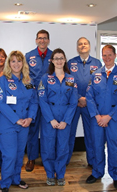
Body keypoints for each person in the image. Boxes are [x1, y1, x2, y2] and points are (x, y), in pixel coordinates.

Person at [85, 45, 117, 190]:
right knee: (97, 146)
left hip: (114, 119)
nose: (107, 58)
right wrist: (98, 116)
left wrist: (109, 117)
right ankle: (97, 172)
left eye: (109, 55)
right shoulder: (96, 74)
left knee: (114, 148)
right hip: (97, 119)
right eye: (104, 55)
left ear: (115, 55)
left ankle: (116, 175)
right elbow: (89, 96)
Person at [0, 50, 38, 192]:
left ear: (23, 63)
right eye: (13, 61)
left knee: (19, 154)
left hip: (25, 124)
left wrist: (30, 118)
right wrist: (16, 120)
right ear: (9, 63)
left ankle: (16, 179)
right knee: (9, 155)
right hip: (8, 124)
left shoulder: (28, 81)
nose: (16, 64)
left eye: (19, 61)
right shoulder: (2, 80)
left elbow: (34, 101)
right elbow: (0, 103)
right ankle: (5, 184)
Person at [38, 48, 78, 186]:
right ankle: (50, 174)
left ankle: (60, 174)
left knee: (62, 147)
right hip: (49, 118)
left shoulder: (71, 78)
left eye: (61, 58)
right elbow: (42, 100)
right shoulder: (45, 78)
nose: (59, 61)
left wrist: (66, 121)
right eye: (56, 58)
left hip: (65, 118)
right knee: (48, 147)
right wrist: (51, 119)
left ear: (65, 60)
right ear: (52, 61)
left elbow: (73, 102)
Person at [67, 37, 102, 167]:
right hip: (74, 104)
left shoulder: (97, 63)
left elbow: (99, 85)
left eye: (85, 43)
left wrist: (87, 99)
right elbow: (68, 83)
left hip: (89, 104)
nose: (82, 46)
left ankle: (92, 161)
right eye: (80, 44)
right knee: (69, 133)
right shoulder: (70, 63)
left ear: (89, 46)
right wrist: (78, 98)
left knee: (91, 134)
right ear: (77, 48)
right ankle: (65, 160)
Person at [25, 29, 52, 172]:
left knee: (47, 130)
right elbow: (24, 76)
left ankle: (47, 158)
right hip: (34, 98)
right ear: (36, 40)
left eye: (45, 38)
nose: (42, 41)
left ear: (48, 40)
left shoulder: (54, 56)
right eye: (40, 38)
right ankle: (31, 158)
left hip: (49, 99)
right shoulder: (29, 56)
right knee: (32, 130)